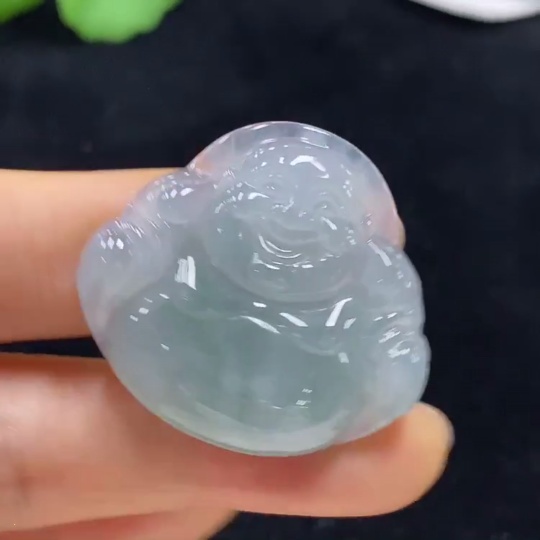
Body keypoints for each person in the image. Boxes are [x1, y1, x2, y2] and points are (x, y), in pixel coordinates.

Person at [0, 169, 454, 540]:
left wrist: (391, 371)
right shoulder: (185, 242)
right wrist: (133, 249)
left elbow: (394, 344)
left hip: (294, 409)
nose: (293, 217)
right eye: (271, 191)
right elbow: (118, 264)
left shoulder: (372, 282)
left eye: (324, 209)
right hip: (177, 370)